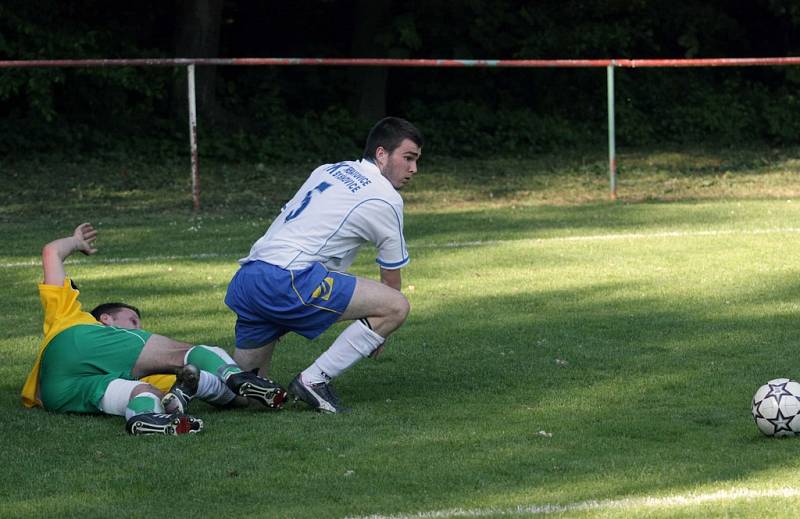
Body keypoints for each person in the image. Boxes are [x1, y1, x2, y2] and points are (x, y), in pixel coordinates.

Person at [225, 116, 423, 413]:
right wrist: (379, 333)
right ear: (382, 154)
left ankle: (189, 383)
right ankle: (314, 380)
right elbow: (391, 280)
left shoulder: (329, 169)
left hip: (251, 276)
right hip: (289, 279)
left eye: (417, 160)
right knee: (396, 306)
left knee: (244, 390)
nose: (413, 169)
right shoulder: (386, 198)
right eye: (408, 158)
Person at [21, 223, 287, 435]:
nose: (139, 330)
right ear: (106, 319)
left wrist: (185, 389)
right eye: (133, 322)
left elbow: (51, 251)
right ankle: (235, 375)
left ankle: (145, 419)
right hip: (77, 342)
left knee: (145, 393)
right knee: (189, 352)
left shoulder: (61, 315)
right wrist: (78, 241)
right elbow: (51, 252)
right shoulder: (76, 316)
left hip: (54, 393)